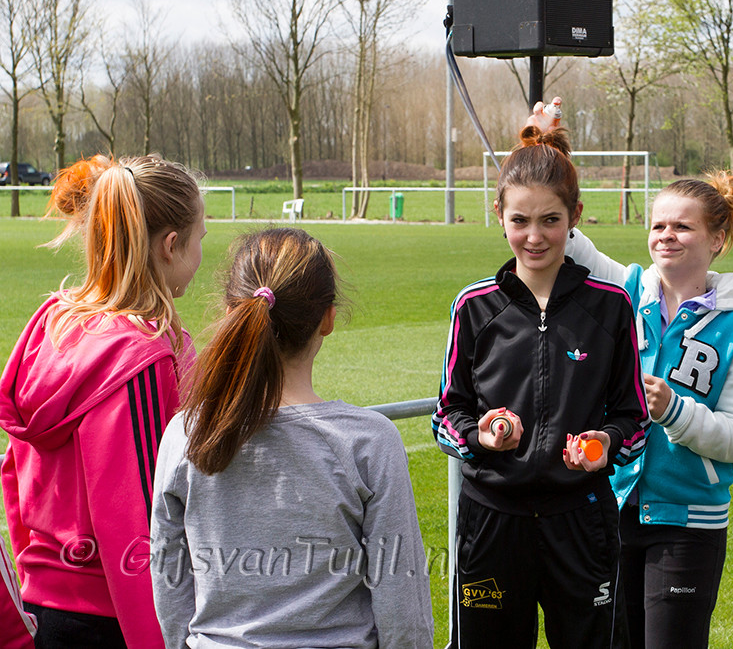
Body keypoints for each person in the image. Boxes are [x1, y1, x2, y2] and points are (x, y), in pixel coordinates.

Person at [150, 227, 433, 648]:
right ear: (328, 319)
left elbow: (168, 582)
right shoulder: (368, 443)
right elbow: (402, 602)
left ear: (230, 311)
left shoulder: (187, 433)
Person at [432, 125, 649, 648]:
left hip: (582, 520)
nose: (534, 236)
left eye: (550, 220)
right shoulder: (474, 306)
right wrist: (482, 436)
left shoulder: (611, 306)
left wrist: (605, 444)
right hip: (491, 521)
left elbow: (634, 419)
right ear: (499, 215)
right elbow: (446, 415)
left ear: (575, 216)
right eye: (520, 220)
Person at [0, 154, 205, 648]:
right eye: (200, 238)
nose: (202, 253)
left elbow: (16, 476)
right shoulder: (140, 358)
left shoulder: (52, 326)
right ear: (170, 246)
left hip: (44, 606)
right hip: (115, 620)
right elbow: (138, 524)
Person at [564, 169, 733, 648]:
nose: (666, 235)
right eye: (658, 225)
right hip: (610, 510)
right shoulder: (625, 291)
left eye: (682, 226)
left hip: (688, 524)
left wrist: (675, 411)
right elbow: (571, 243)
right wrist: (548, 162)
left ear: (716, 239)